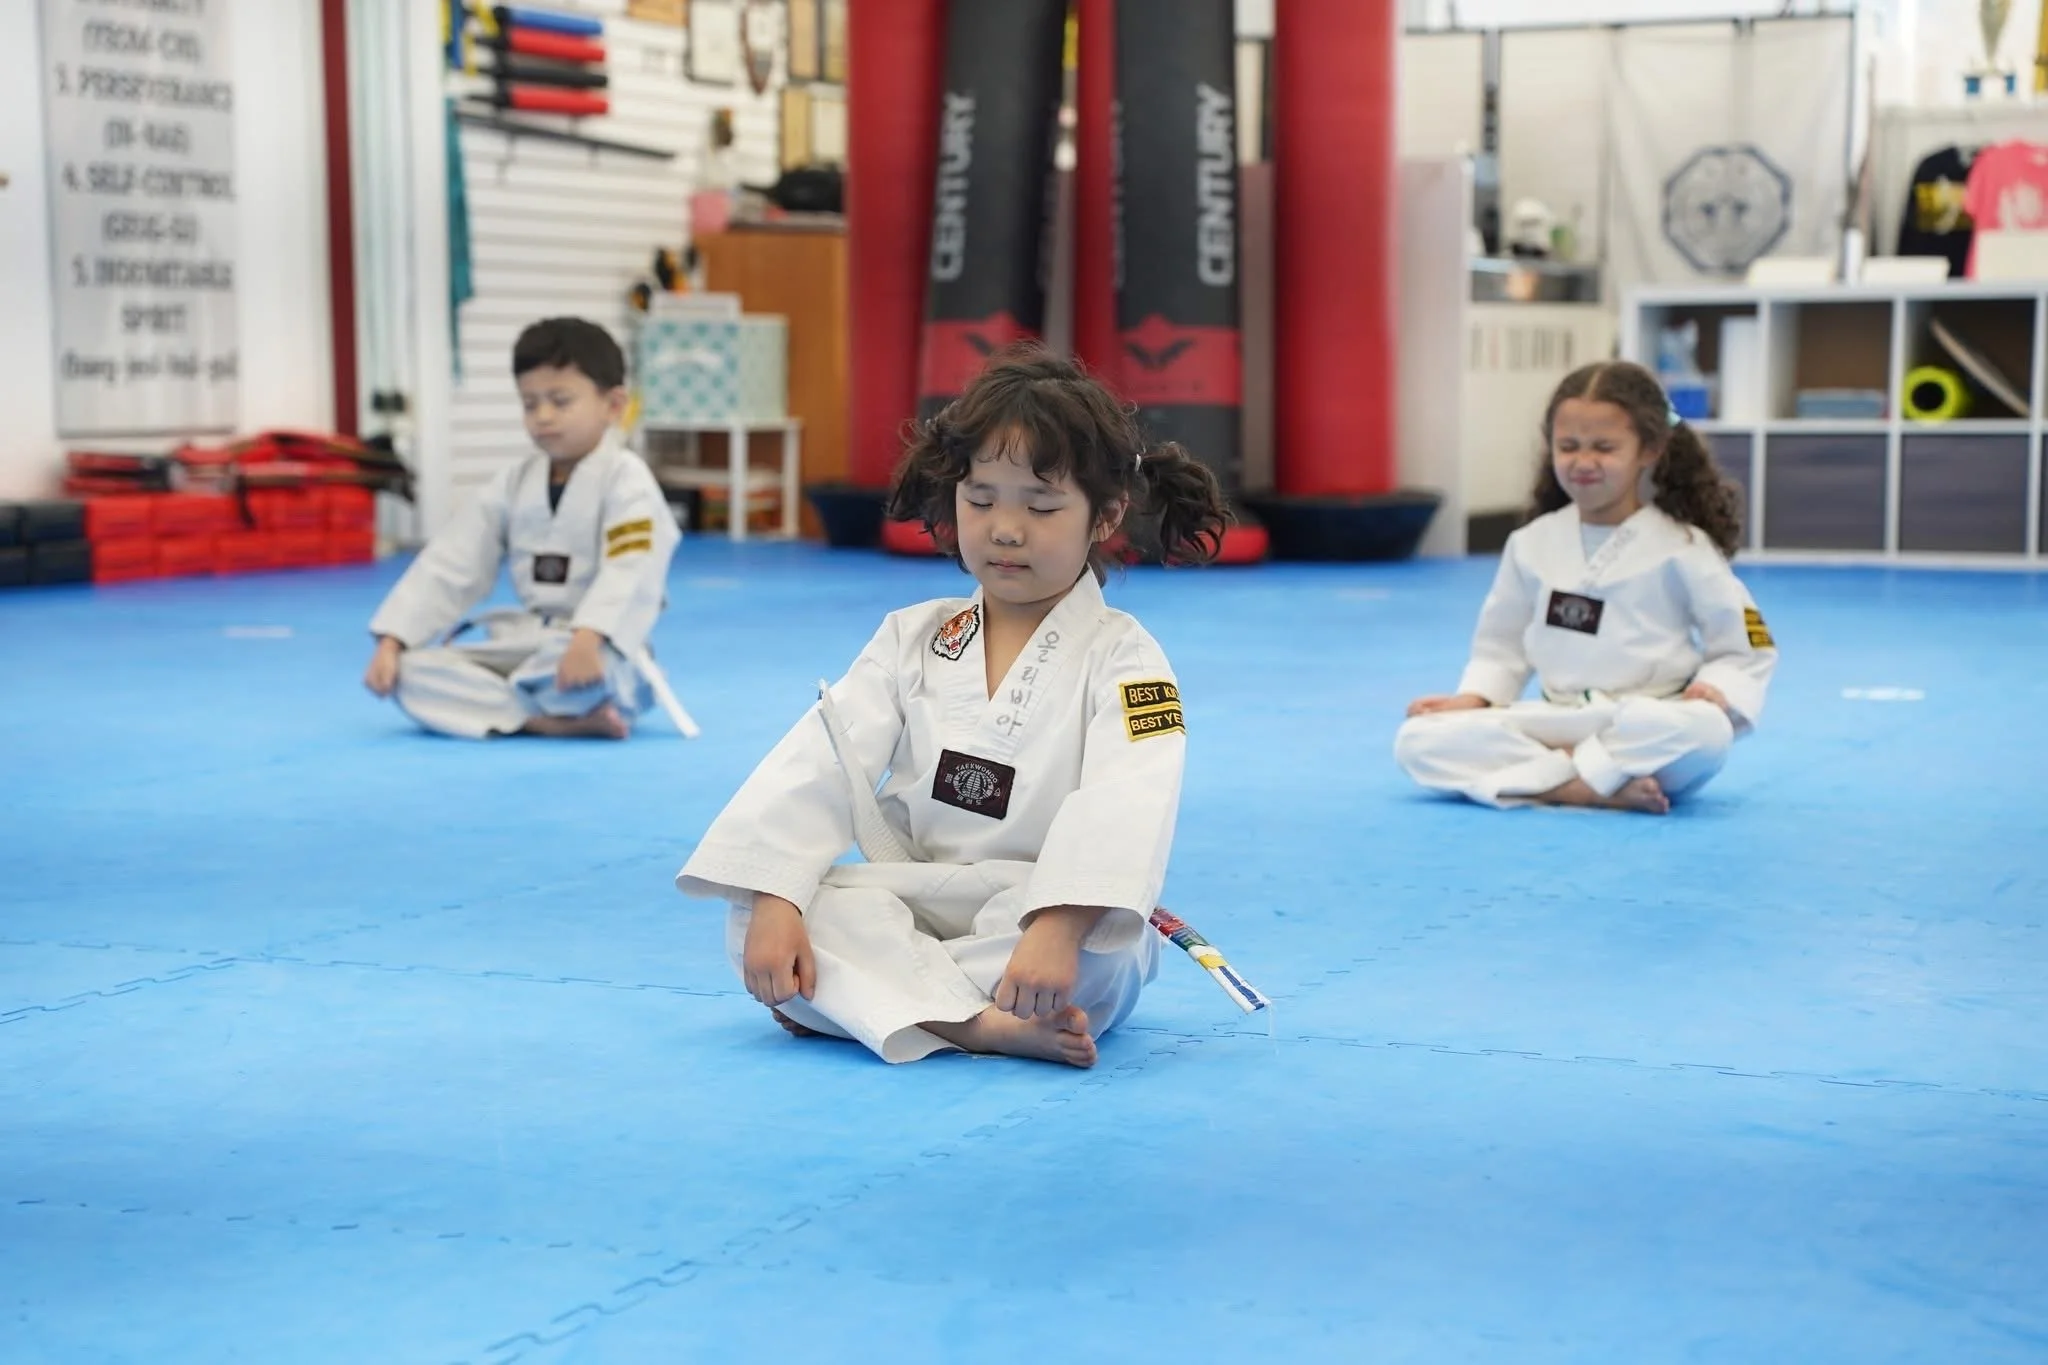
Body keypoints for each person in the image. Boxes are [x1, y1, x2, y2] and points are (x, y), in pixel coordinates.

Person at [676, 345, 1229, 1067]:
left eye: (1041, 505)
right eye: (981, 499)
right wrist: (778, 895)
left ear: (1106, 515)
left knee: (1104, 961)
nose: (1005, 528)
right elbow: (823, 759)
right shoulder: (912, 637)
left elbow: (1132, 797)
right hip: (913, 895)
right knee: (763, 915)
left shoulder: (1126, 659)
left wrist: (1060, 924)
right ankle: (974, 1024)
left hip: (1036, 913)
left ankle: (882, 1006)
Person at [1394, 360, 1777, 814]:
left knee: (1707, 733)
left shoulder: (1684, 547)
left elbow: (1750, 641)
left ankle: (1546, 780)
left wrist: (1719, 688)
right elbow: (1500, 648)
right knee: (1416, 740)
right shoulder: (1530, 543)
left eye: (1604, 447)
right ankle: (1584, 787)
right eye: (1568, 446)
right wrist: (1473, 699)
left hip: (1640, 721)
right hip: (1556, 720)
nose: (1583, 462)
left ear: (1649, 450)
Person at [362, 317, 679, 739]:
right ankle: (541, 720)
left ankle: (522, 707)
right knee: (411, 674)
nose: (543, 416)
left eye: (560, 401)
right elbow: (454, 561)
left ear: (614, 405)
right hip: (528, 641)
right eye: (530, 404)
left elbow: (632, 570)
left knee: (575, 674)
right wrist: (394, 640)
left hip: (598, 650)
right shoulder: (513, 483)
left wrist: (589, 638)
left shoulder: (628, 481)